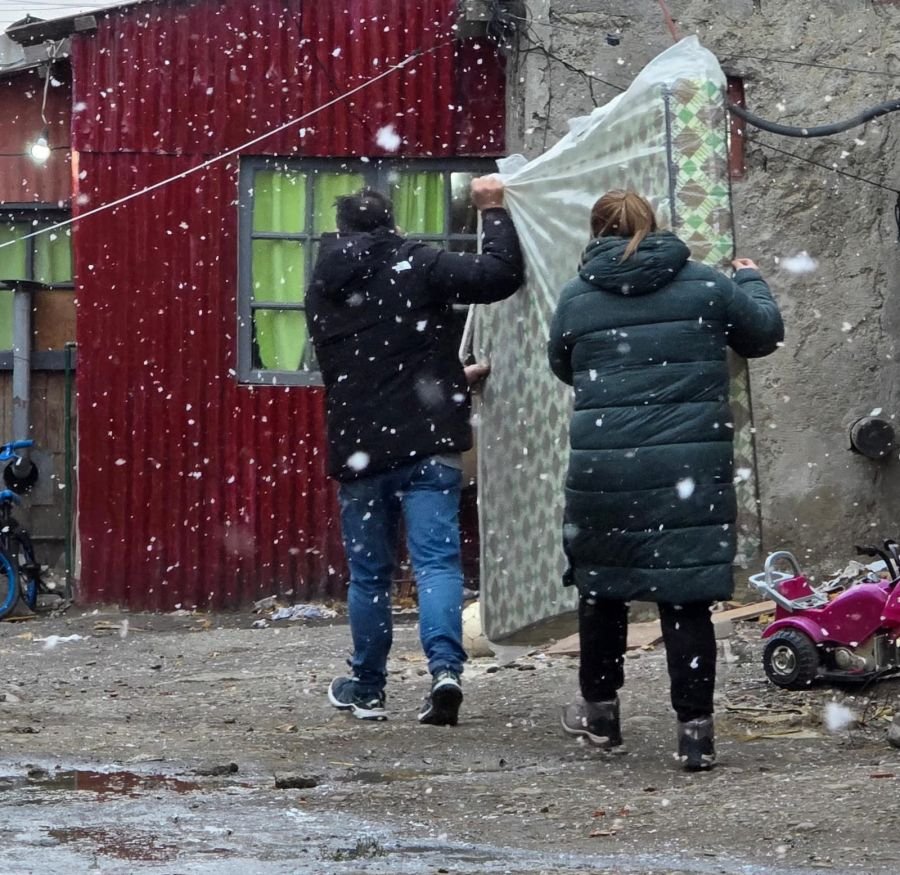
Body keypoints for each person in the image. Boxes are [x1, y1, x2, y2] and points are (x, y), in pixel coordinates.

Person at [547, 190, 783, 770]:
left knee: (603, 590)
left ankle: (601, 716)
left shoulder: (577, 297)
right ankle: (694, 735)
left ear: (596, 230)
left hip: (605, 465)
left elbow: (563, 365)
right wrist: (751, 282)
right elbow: (764, 336)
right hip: (688, 470)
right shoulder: (706, 284)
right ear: (655, 226)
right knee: (687, 599)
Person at [306, 178, 523, 725]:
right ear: (393, 226)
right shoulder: (418, 262)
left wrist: (448, 371)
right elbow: (500, 274)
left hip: (360, 447)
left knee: (370, 575)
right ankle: (446, 672)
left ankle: (369, 688)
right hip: (428, 439)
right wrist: (492, 211)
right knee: (436, 564)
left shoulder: (324, 281)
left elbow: (373, 352)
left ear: (341, 230)